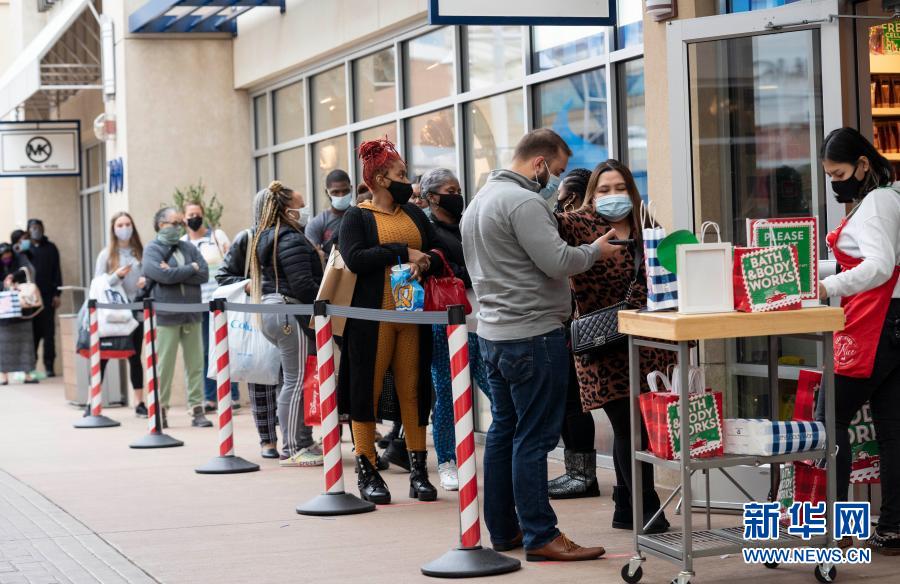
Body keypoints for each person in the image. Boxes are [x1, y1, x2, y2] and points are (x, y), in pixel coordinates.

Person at [461, 128, 609, 561]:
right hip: (532, 335)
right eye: (557, 170)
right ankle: (541, 534)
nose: (556, 180)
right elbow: (557, 261)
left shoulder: (479, 202)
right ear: (540, 163)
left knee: (504, 433)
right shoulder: (523, 202)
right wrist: (595, 251)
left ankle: (505, 530)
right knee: (534, 439)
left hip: (494, 335)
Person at [557, 160, 672, 533]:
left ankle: (625, 506)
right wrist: (553, 194)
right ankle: (646, 509)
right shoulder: (578, 225)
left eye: (620, 188)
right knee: (630, 428)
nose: (613, 196)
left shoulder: (646, 225)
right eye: (604, 189)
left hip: (648, 346)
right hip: (603, 345)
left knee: (640, 427)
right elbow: (540, 231)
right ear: (592, 195)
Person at [339, 138, 445, 504]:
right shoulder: (358, 216)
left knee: (413, 391)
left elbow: (439, 248)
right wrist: (403, 252)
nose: (408, 181)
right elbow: (354, 258)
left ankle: (419, 470)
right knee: (365, 392)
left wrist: (425, 261)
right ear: (381, 179)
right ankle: (367, 469)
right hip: (372, 321)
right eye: (401, 174)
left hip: (412, 317)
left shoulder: (413, 213)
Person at [817, 127, 900, 554]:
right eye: (829, 176)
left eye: (839, 174)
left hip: (875, 322)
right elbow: (864, 263)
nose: (835, 183)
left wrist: (826, 287)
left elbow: (880, 265)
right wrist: (813, 270)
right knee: (892, 429)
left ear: (863, 164)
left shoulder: (876, 204)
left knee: (828, 417)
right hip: (892, 320)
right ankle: (893, 528)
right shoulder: (890, 197)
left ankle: (834, 527)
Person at [418, 167, 490, 492]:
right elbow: (445, 269)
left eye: (458, 189)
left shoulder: (467, 223)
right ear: (432, 197)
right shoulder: (428, 231)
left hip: (481, 317)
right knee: (447, 393)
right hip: (445, 319)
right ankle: (447, 461)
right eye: (450, 190)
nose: (457, 195)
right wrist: (470, 272)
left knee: (494, 387)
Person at [249, 180, 324, 467]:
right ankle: (293, 448)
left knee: (292, 380)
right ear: (286, 210)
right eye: (300, 206)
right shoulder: (289, 238)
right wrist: (326, 299)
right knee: (295, 381)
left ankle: (300, 441)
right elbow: (303, 284)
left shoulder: (270, 236)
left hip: (276, 311)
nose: (305, 211)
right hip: (288, 312)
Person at [547, 167, 601, 500]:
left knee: (574, 402)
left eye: (563, 198)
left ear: (577, 197)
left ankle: (583, 476)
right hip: (576, 323)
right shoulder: (580, 226)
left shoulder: (585, 227)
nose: (559, 204)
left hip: (588, 326)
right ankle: (577, 472)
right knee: (571, 401)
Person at [217, 191, 280, 458]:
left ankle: (294, 438)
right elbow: (223, 275)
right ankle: (267, 441)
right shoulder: (248, 237)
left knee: (288, 378)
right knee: (260, 377)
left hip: (288, 313)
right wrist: (248, 285)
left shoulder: (291, 235)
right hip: (256, 315)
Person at [142, 207, 213, 428]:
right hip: (166, 315)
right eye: (173, 223)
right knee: (165, 366)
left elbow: (204, 274)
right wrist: (190, 268)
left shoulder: (188, 247)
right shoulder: (152, 250)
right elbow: (160, 275)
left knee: (195, 365)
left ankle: (197, 408)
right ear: (160, 225)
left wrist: (177, 272)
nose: (177, 227)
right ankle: (161, 408)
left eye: (179, 224)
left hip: (192, 313)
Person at [182, 200, 239, 412]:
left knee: (227, 347)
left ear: (203, 215)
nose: (194, 218)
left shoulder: (217, 236)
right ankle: (210, 398)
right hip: (198, 304)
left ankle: (232, 395)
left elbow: (232, 261)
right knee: (206, 351)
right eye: (190, 215)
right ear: (184, 219)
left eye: (197, 214)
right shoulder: (183, 243)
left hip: (221, 302)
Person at [94, 212, 147, 417]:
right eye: (120, 225)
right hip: (113, 313)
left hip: (136, 309)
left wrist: (145, 281)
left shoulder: (140, 252)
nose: (125, 228)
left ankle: (139, 402)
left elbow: (150, 276)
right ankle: (93, 401)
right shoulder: (106, 254)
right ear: (113, 229)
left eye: (127, 224)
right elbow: (98, 284)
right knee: (104, 356)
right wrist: (116, 276)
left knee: (134, 356)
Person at [26, 219, 62, 377]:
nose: (36, 231)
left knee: (49, 334)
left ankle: (49, 366)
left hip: (48, 297)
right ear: (28, 230)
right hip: (30, 298)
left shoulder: (51, 248)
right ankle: (31, 366)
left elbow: (57, 272)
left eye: (38, 228)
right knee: (32, 333)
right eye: (33, 228)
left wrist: (57, 294)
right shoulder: (26, 249)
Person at [0, 243, 39, 385]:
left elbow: (28, 270)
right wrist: (4, 285)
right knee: (3, 346)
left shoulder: (19, 259)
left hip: (22, 311)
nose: (6, 258)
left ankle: (27, 374)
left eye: (8, 256)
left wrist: (13, 277)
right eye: (3, 257)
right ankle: (3, 376)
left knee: (25, 344)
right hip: (4, 313)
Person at [306, 169, 353, 255]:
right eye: (335, 192)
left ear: (351, 189)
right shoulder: (316, 223)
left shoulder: (362, 217)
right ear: (327, 192)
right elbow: (313, 256)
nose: (341, 195)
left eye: (345, 191)